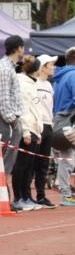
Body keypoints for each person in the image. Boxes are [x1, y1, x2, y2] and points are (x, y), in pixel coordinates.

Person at [10, 56, 44, 211]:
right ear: (37, 69)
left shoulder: (32, 83)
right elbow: (22, 109)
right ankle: (18, 197)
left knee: (29, 166)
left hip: (34, 129)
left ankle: (25, 196)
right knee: (21, 165)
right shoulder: (22, 84)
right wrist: (26, 131)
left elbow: (35, 109)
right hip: (27, 129)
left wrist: (39, 129)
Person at [0, 34, 25, 176]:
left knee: (6, 161)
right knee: (4, 163)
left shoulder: (7, 67)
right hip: (6, 121)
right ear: (19, 49)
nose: (24, 51)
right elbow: (4, 101)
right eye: (23, 48)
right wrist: (14, 122)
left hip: (7, 120)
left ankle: (0, 189)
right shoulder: (5, 69)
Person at [33, 54, 57, 208]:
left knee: (44, 163)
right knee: (31, 163)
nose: (53, 67)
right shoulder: (34, 84)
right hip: (37, 126)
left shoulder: (49, 85)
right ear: (42, 67)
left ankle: (41, 196)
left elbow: (51, 107)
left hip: (49, 126)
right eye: (51, 65)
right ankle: (25, 196)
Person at [53, 46, 75, 206]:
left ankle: (65, 193)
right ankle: (65, 193)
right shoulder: (73, 75)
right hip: (70, 119)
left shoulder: (59, 76)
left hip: (58, 119)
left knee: (65, 157)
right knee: (67, 158)